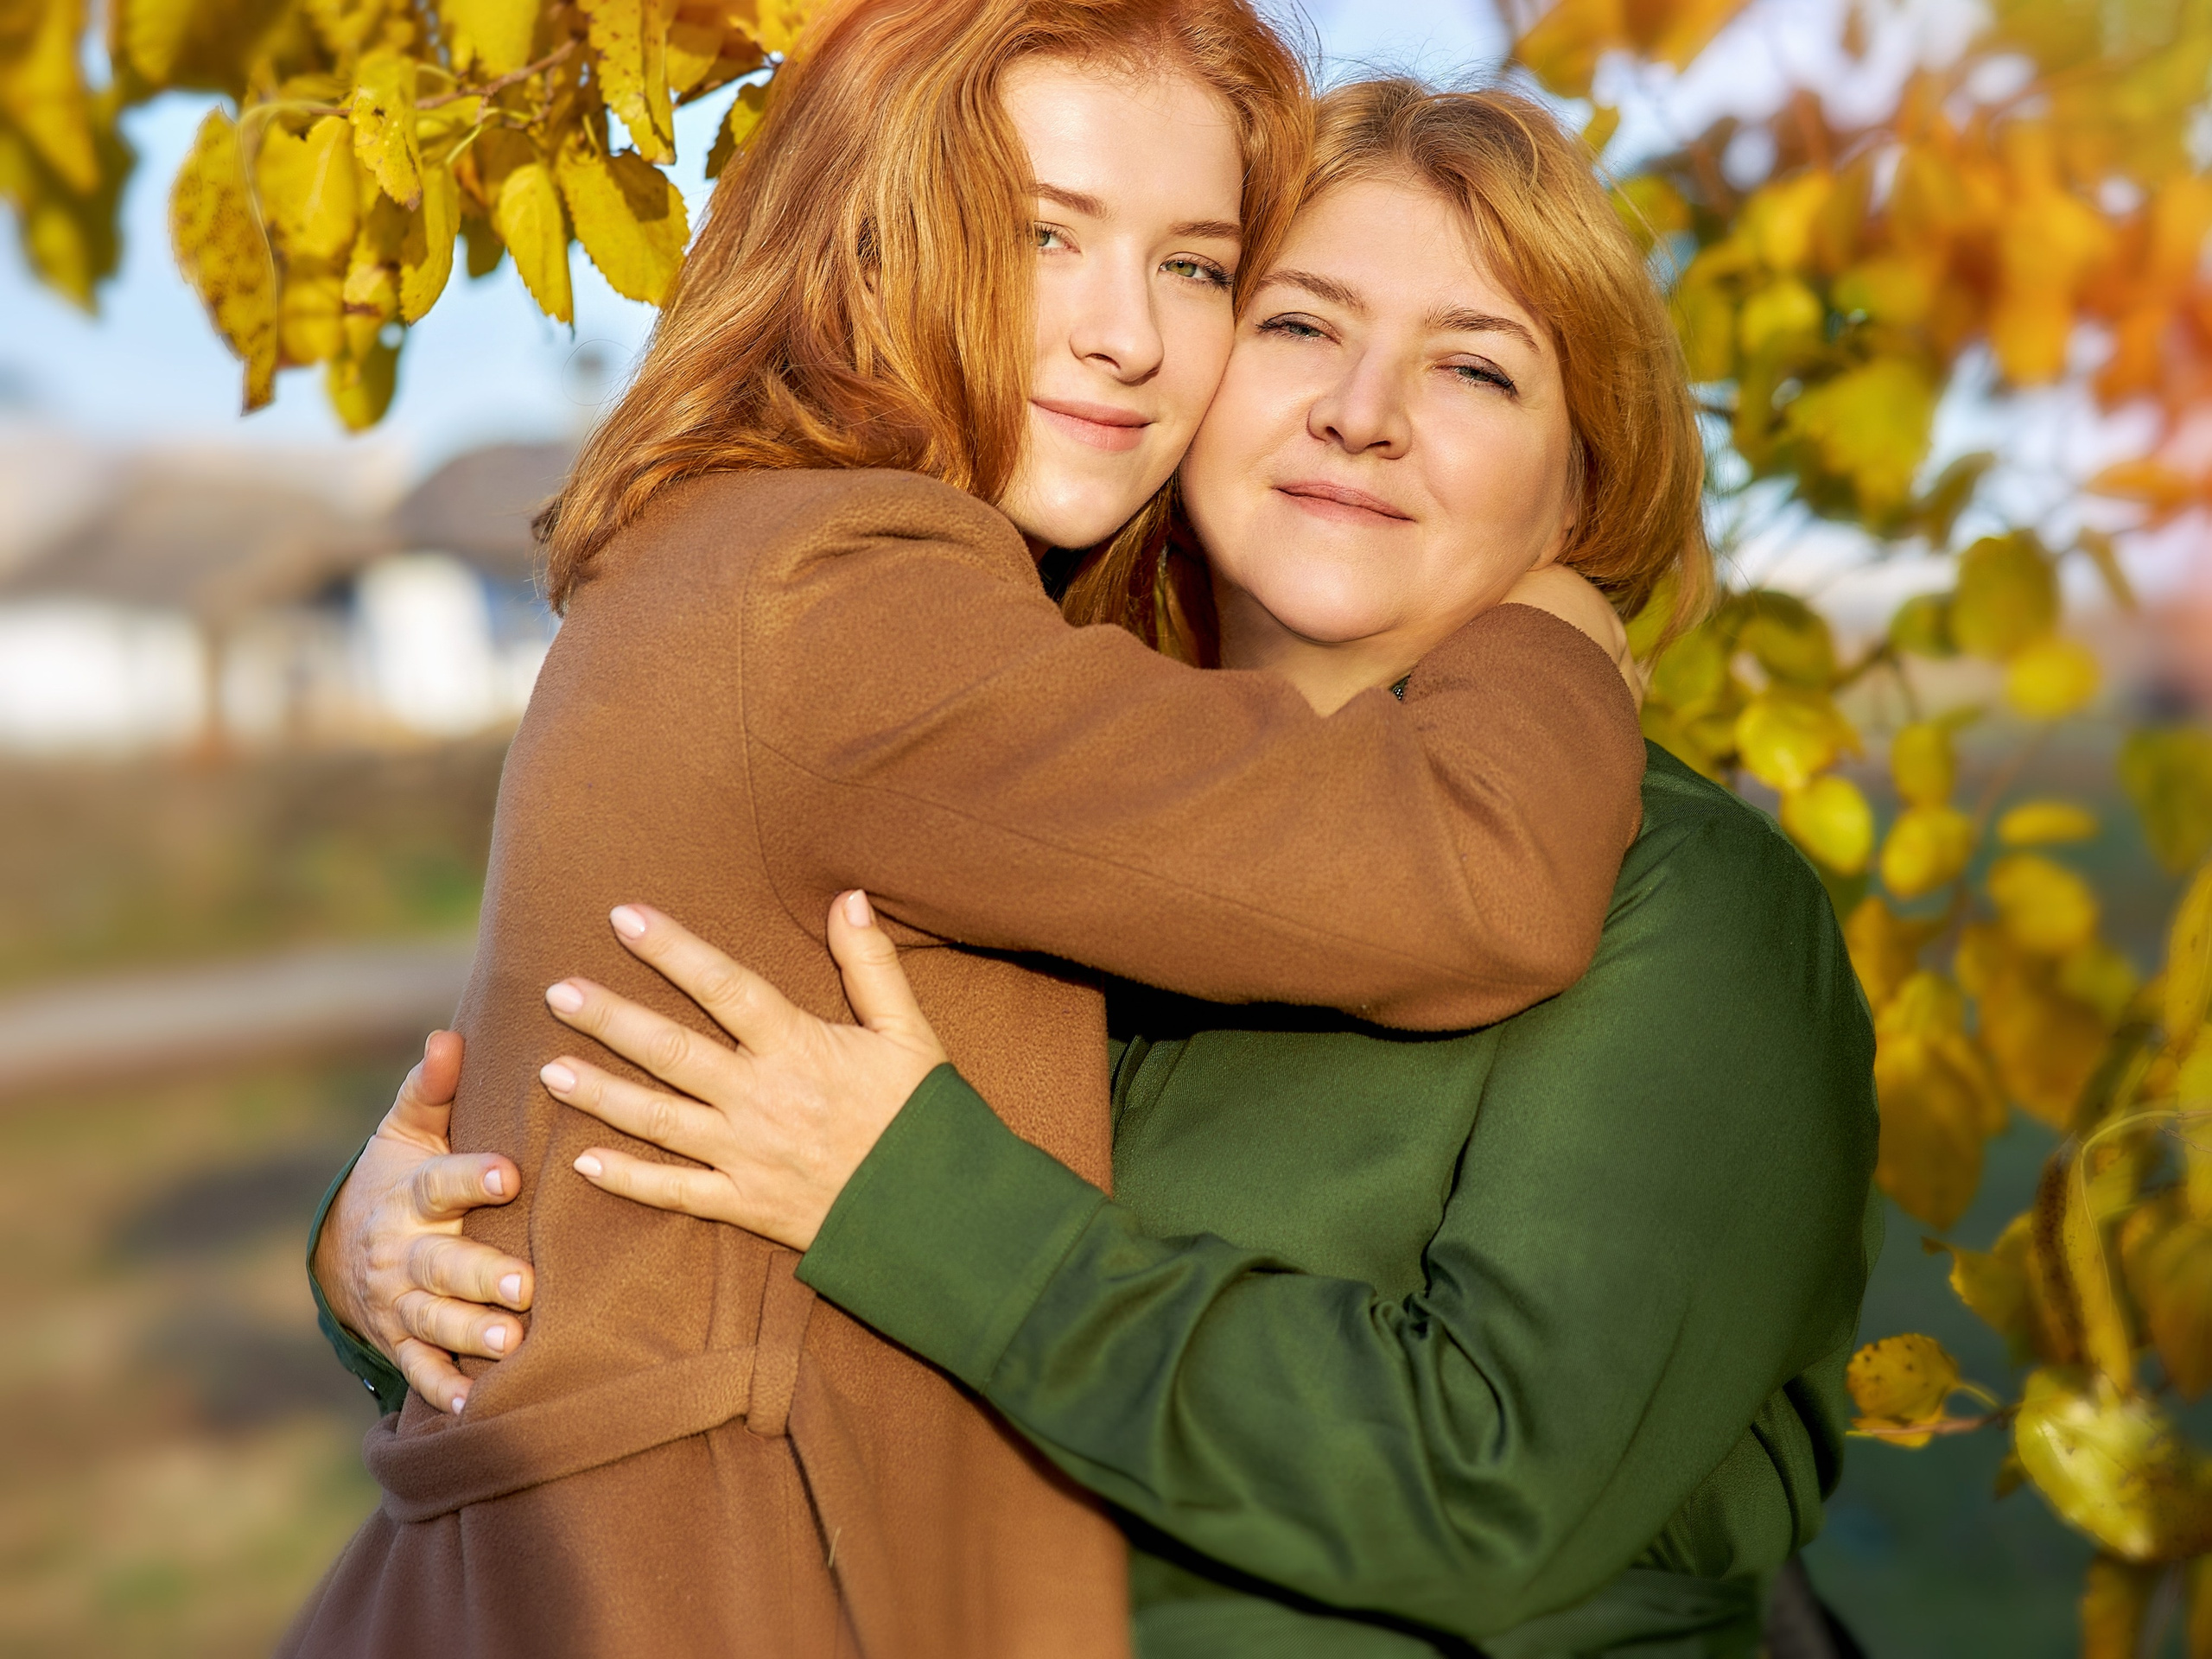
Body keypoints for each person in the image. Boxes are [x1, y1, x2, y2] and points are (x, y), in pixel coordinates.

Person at [372, 82, 1879, 1658]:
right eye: (1299, 325)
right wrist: (396, 1258)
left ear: (1585, 479)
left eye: (1476, 368)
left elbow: (1485, 1488)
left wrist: (921, 1204)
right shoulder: (1036, 814)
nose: (1364, 411)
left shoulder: (1696, 908)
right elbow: (680, 1254)